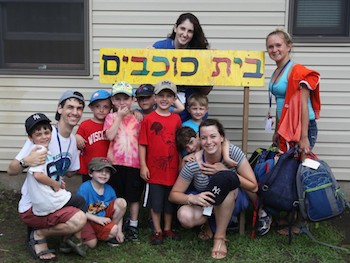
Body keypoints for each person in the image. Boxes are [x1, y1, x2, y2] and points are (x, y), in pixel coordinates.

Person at [7, 90, 87, 260]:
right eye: (70, 107)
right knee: (79, 217)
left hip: (54, 195)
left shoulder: (73, 140)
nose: (75, 112)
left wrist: (82, 148)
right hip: (35, 201)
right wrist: (26, 161)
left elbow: (71, 173)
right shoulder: (42, 135)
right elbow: (11, 170)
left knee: (80, 203)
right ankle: (38, 233)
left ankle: (66, 240)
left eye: (79, 108)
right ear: (59, 109)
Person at [257, 28, 321, 236]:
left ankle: (301, 222)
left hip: (303, 127)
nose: (274, 49)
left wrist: (303, 137)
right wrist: (276, 131)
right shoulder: (277, 71)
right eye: (270, 46)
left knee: (299, 173)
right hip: (286, 127)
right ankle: (289, 215)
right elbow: (279, 103)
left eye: (278, 45)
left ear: (288, 46)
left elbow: (303, 106)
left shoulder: (297, 70)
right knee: (287, 171)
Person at [169, 119, 258, 260]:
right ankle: (208, 223)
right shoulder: (193, 162)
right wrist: (192, 198)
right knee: (184, 217)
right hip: (207, 201)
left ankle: (219, 238)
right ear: (199, 140)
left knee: (225, 184)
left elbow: (253, 186)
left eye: (213, 136)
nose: (209, 142)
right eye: (204, 138)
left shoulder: (233, 153)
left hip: (232, 199)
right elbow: (173, 195)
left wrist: (226, 173)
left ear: (222, 137)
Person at [139, 80, 182, 245]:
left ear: (173, 99)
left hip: (171, 169)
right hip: (154, 169)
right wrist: (143, 165)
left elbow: (178, 145)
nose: (164, 99)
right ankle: (157, 230)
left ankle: (167, 228)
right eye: (161, 95)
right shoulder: (148, 119)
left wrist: (179, 164)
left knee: (169, 201)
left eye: (169, 96)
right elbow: (143, 143)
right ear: (155, 98)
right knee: (155, 202)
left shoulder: (176, 119)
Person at [151, 12, 212, 122]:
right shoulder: (160, 47)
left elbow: (206, 90)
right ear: (175, 28)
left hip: (192, 110)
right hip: (166, 104)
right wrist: (146, 55)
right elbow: (148, 79)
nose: (185, 34)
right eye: (182, 29)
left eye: (190, 31)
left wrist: (210, 61)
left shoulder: (199, 52)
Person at [104, 81, 143, 242]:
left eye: (125, 99)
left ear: (132, 100)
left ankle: (133, 225)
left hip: (134, 163)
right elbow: (110, 136)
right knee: (117, 196)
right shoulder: (111, 117)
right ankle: (117, 227)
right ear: (112, 101)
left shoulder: (138, 118)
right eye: (118, 99)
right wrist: (119, 117)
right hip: (115, 163)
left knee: (133, 197)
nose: (122, 102)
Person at [77, 157, 127, 248]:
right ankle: (89, 235)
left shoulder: (110, 189)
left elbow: (120, 213)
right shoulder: (85, 188)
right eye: (99, 170)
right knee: (91, 244)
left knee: (121, 202)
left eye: (107, 171)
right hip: (88, 221)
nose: (104, 174)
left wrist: (119, 231)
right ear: (90, 173)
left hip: (103, 220)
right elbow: (79, 211)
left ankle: (110, 231)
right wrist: (98, 219)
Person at [76, 89, 112, 182]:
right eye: (97, 106)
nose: (101, 110)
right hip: (89, 169)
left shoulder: (112, 124)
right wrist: (77, 137)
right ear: (91, 107)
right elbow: (77, 140)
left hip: (108, 169)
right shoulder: (85, 125)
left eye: (105, 107)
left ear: (111, 108)